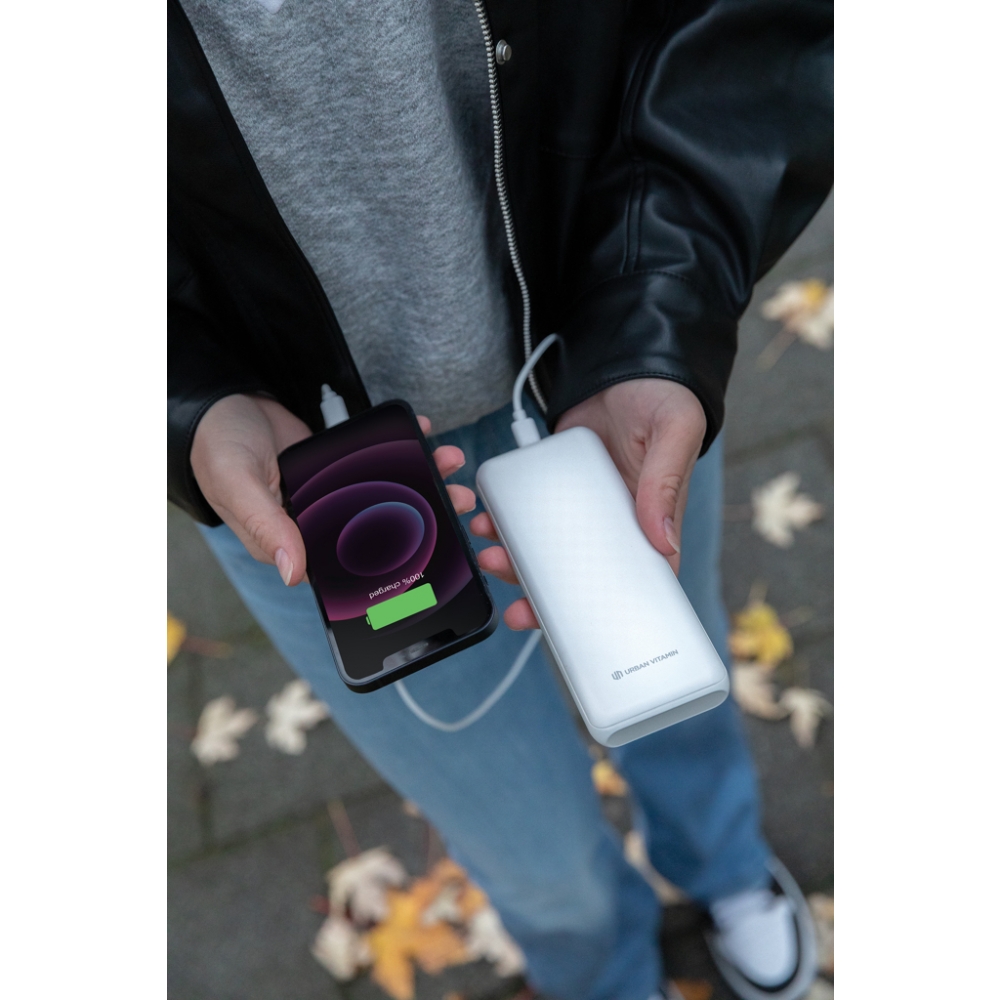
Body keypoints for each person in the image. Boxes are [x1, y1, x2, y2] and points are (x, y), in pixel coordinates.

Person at [167, 1, 833, 997]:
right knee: (531, 847)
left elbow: (741, 33)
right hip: (304, 461)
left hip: (602, 343)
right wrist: (182, 402)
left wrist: (657, 312)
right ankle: (604, 976)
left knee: (671, 675)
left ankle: (723, 862)